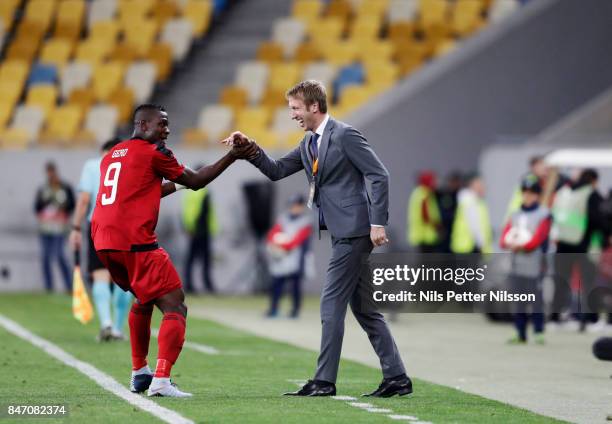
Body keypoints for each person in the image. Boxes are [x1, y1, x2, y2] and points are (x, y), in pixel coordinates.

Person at [226, 80, 410, 398]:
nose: (292, 114)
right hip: (342, 232)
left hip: (355, 231)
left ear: (314, 106)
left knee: (330, 303)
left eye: (295, 108)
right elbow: (276, 170)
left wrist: (378, 222)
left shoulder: (346, 134)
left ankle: (324, 381)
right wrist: (249, 149)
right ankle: (397, 378)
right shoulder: (308, 142)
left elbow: (379, 174)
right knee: (365, 308)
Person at [91, 104, 257, 398]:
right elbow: (197, 180)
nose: (167, 130)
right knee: (175, 307)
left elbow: (145, 191)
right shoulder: (154, 153)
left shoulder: (113, 154)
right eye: (162, 124)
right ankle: (162, 380)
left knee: (143, 298)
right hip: (135, 242)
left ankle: (139, 372)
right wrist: (233, 156)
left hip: (105, 242)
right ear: (143, 125)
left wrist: (178, 186)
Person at [69, 139, 133, 342]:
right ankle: (117, 328)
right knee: (126, 279)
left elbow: (84, 199)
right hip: (125, 227)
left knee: (100, 275)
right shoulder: (130, 166)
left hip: (98, 225)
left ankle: (105, 323)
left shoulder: (92, 165)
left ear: (101, 151)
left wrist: (76, 227)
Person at [500, 175, 551, 344]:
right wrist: (510, 243)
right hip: (516, 265)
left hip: (535, 265)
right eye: (525, 192)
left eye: (532, 193)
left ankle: (538, 331)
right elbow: (503, 239)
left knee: (536, 299)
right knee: (518, 300)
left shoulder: (544, 214)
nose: (528, 196)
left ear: (537, 195)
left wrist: (521, 246)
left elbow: (538, 239)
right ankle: (520, 332)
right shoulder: (515, 214)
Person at [551, 169, 604, 330]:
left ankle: (555, 318)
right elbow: (597, 219)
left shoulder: (562, 192)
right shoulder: (591, 194)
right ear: (593, 180)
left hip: (562, 244)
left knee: (561, 282)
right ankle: (590, 320)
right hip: (584, 245)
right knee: (588, 284)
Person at [265, 194, 312, 318]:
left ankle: (295, 310)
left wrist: (282, 246)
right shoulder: (283, 219)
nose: (294, 208)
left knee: (295, 285)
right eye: (292, 206)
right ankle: (273, 308)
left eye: (297, 206)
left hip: (296, 259)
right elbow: (273, 233)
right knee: (277, 284)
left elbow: (297, 240)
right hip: (281, 258)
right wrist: (274, 244)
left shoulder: (305, 222)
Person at [34, 161, 75, 292]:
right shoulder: (43, 189)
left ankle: (69, 285)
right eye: (48, 172)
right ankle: (49, 286)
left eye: (52, 171)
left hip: (60, 227)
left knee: (59, 255)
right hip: (45, 228)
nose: (50, 174)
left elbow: (71, 204)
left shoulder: (65, 187)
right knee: (45, 257)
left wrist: (62, 209)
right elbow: (37, 207)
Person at [181, 171, 218, 294]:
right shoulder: (201, 192)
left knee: (194, 259)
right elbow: (194, 212)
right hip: (199, 231)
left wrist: (188, 226)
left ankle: (193, 284)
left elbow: (188, 212)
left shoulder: (193, 192)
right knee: (201, 260)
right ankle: (202, 285)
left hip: (199, 230)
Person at [451, 174, 492, 254]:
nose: (484, 188)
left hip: (467, 246)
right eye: (481, 185)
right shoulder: (469, 201)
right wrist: (481, 243)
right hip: (468, 247)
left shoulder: (475, 201)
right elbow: (474, 224)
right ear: (474, 186)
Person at [407, 170, 441, 253]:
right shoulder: (424, 194)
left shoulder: (418, 193)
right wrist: (436, 226)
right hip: (425, 234)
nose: (436, 183)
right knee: (427, 262)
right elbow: (425, 215)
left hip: (420, 234)